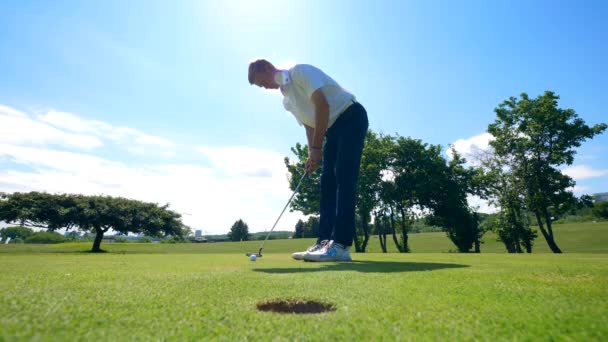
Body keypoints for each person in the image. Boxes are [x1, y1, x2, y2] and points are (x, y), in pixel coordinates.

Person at [248, 59, 368, 262]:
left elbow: (322, 105)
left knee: (344, 178)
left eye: (262, 82)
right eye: (261, 86)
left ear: (268, 68)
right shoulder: (286, 101)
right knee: (327, 182)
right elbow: (309, 125)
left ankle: (340, 245)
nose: (265, 88)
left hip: (351, 116)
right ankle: (324, 242)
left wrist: (316, 147)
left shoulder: (299, 72)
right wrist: (312, 153)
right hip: (332, 128)